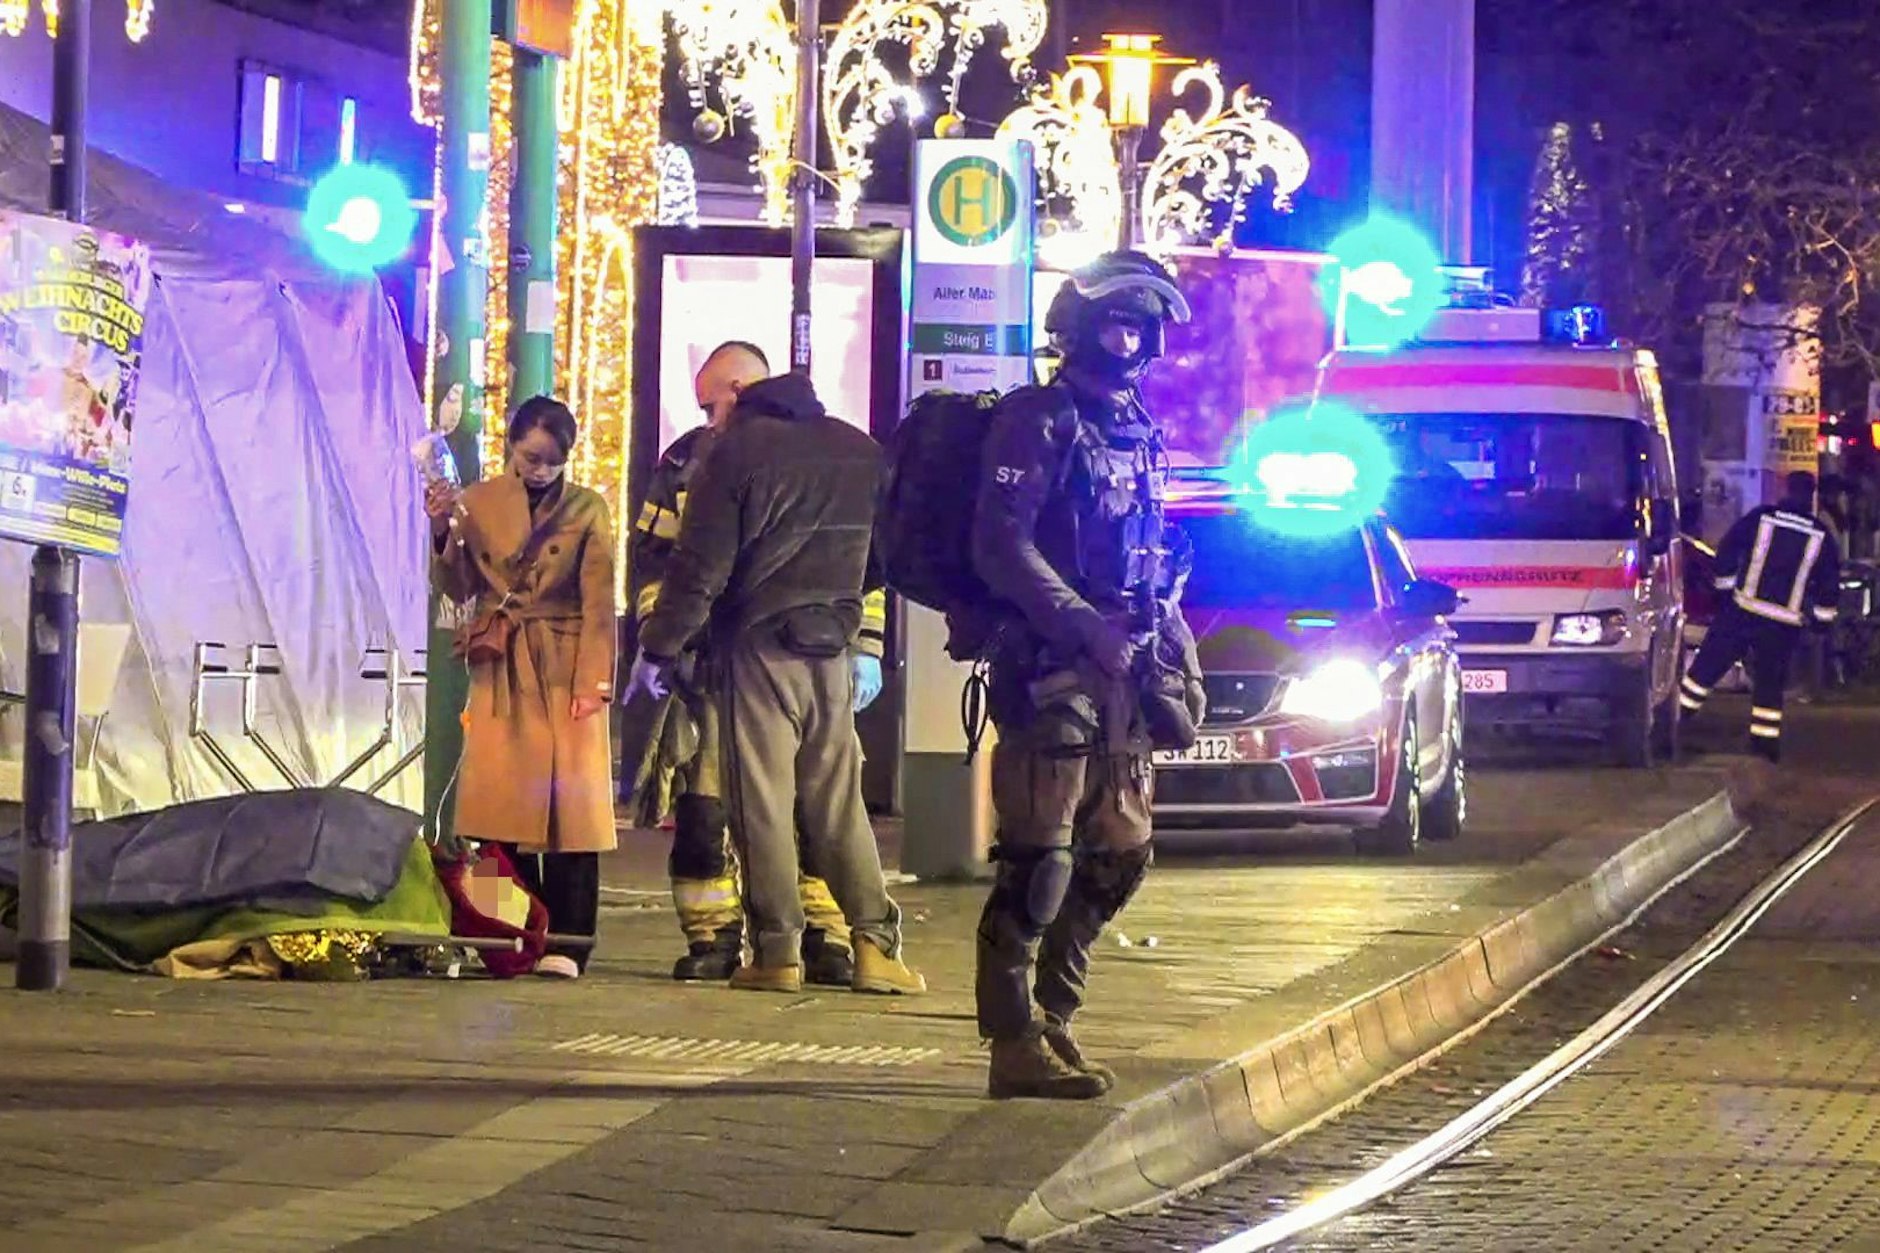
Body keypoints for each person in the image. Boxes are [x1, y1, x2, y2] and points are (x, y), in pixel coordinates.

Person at [970, 251, 1204, 1100]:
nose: (1132, 337)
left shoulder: (1137, 421)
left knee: (1122, 855)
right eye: (1117, 320)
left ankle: (1056, 1014)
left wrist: (1162, 615)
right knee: (1040, 859)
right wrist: (1078, 624)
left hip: (1130, 666)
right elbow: (1000, 544)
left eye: (1143, 324)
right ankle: (1011, 1038)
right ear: (1078, 326)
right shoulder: (1038, 419)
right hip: (1052, 667)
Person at [627, 364, 923, 997]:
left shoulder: (733, 453)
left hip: (757, 649)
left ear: (740, 401)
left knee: (758, 806)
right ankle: (875, 946)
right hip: (832, 649)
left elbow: (697, 571)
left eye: (714, 406)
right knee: (838, 805)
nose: (710, 420)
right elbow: (888, 558)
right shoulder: (859, 449)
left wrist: (656, 651)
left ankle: (777, 952)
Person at [426, 396, 617, 978]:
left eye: (553, 462)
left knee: (571, 813)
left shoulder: (587, 507)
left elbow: (599, 600)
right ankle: (508, 934)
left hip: (563, 660)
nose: (540, 471)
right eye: (532, 457)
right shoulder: (478, 501)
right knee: (493, 808)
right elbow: (456, 586)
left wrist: (595, 681)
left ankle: (568, 940)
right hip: (502, 661)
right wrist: (440, 527)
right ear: (511, 445)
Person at [1680, 470, 1841, 761]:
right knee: (1769, 686)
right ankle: (1764, 749)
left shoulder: (1761, 518)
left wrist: (1726, 591)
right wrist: (1820, 622)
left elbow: (1727, 553)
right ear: (1811, 495)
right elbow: (1829, 586)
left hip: (1742, 611)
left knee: (1705, 671)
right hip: (1782, 625)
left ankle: (1676, 725)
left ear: (1786, 490)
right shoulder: (1820, 535)